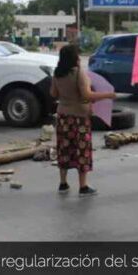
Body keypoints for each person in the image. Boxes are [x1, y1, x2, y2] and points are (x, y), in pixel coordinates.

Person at [50, 45, 115, 196]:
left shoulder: (57, 73)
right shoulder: (79, 73)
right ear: (75, 58)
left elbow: (53, 93)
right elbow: (87, 95)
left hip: (63, 117)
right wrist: (107, 95)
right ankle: (83, 186)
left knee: (64, 148)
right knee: (82, 150)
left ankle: (63, 183)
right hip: (79, 118)